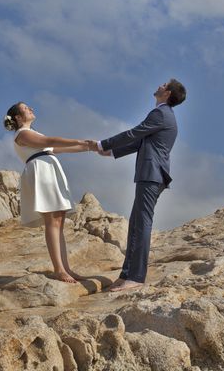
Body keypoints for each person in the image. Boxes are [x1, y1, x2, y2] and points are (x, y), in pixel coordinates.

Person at [88, 79, 186, 292]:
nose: (159, 85)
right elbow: (141, 141)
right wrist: (112, 152)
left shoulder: (161, 113)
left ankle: (136, 277)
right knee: (135, 224)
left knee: (141, 224)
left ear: (167, 93)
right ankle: (126, 275)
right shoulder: (163, 115)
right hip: (150, 174)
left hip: (152, 175)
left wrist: (102, 144)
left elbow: (134, 132)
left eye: (164, 84)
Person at [4, 102, 89, 284]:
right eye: (26, 108)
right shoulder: (23, 134)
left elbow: (57, 148)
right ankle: (59, 269)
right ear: (18, 117)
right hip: (40, 171)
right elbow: (49, 142)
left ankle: (65, 267)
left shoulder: (33, 133)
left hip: (48, 169)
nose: (31, 109)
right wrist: (80, 141)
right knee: (52, 220)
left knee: (59, 219)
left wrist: (89, 146)